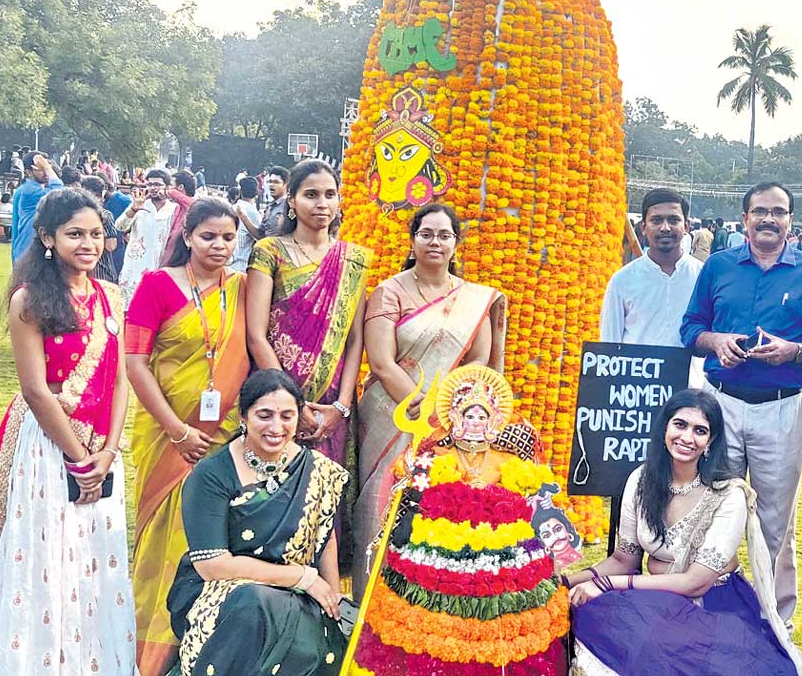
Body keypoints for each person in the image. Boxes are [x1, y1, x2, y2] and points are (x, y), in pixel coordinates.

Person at [0, 189, 135, 675]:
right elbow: (37, 391)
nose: (89, 244)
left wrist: (107, 451)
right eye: (75, 234)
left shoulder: (111, 295)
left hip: (101, 445)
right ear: (46, 238)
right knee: (43, 554)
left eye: (96, 234)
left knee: (92, 555)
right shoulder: (29, 301)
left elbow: (120, 376)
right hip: (45, 447)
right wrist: (79, 459)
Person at [569, 389, 802, 676]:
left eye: (700, 430)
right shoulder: (641, 480)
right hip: (659, 600)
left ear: (710, 442)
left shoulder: (728, 495)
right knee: (585, 611)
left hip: (714, 606)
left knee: (656, 654)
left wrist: (608, 584)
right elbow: (624, 559)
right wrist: (564, 580)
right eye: (680, 425)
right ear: (664, 428)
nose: (687, 437)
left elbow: (695, 583)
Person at [681, 181, 802, 622]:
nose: (769, 219)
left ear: (790, 219)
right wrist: (717, 341)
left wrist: (795, 351)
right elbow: (691, 329)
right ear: (745, 217)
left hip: (781, 408)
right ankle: (709, 608)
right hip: (721, 406)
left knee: (775, 520)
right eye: (760, 211)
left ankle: (778, 618)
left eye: (779, 211)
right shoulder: (718, 267)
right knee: (711, 508)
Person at [348, 365, 567, 675]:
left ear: (494, 422)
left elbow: (534, 503)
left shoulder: (510, 461)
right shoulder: (435, 456)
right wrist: (412, 470)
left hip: (499, 574)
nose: (476, 423)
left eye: (482, 417)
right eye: (469, 416)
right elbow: (408, 494)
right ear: (456, 420)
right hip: (439, 569)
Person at [352, 203, 506, 594]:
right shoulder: (389, 291)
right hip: (391, 413)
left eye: (444, 235)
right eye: (427, 234)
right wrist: (424, 407)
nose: (435, 242)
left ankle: (426, 597)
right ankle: (370, 599)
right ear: (413, 239)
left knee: (438, 502)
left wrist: (448, 410)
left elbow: (478, 360)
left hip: (452, 419)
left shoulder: (474, 299)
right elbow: (382, 362)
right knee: (380, 499)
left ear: (456, 244)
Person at [125, 198, 250, 676]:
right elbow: (135, 363)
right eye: (208, 236)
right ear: (187, 236)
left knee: (212, 541)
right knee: (164, 542)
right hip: (167, 436)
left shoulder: (239, 288)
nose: (219, 246)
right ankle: (151, 650)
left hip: (223, 438)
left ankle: (201, 644)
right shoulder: (158, 285)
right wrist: (177, 431)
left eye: (227, 237)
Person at [166, 369, 350, 676]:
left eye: (287, 416)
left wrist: (330, 593)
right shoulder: (211, 475)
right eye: (264, 415)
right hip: (224, 591)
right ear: (243, 417)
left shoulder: (318, 470)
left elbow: (324, 534)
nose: (276, 427)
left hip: (298, 593)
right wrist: (301, 577)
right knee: (253, 604)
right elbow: (212, 566)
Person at [247, 159, 372, 469]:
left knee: (326, 493)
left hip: (332, 399)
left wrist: (341, 406)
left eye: (330, 195)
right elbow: (255, 334)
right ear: (291, 200)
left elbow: (355, 338)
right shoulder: (270, 251)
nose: (322, 204)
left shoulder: (352, 258)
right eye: (311, 194)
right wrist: (291, 403)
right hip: (275, 394)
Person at [601, 187, 703, 347]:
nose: (665, 227)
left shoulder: (703, 276)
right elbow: (609, 343)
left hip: (692, 372)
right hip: (636, 372)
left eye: (674, 220)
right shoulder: (622, 280)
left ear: (687, 226)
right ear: (643, 227)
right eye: (656, 220)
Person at [116, 169, 178, 303]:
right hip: (134, 268)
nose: (153, 188)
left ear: (167, 187)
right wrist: (133, 209)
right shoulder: (139, 205)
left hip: (161, 266)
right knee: (129, 310)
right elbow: (120, 226)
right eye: (149, 185)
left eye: (157, 184)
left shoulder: (174, 209)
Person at [9, 150, 64, 264]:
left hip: (25, 247)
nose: (45, 172)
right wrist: (48, 168)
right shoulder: (29, 190)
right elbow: (59, 192)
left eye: (47, 168)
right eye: (40, 169)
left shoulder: (24, 189)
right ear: (28, 172)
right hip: (29, 249)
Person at [80, 176, 123, 282]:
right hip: (101, 272)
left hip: (82, 271)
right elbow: (111, 246)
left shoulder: (73, 214)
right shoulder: (105, 215)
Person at [230, 176, 261, 272]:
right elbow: (259, 237)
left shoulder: (232, 208)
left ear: (240, 192)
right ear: (257, 193)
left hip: (228, 264)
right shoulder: (253, 213)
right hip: (241, 265)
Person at [259, 166, 291, 238]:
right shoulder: (269, 207)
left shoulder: (290, 205)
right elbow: (260, 235)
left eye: (276, 182)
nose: (271, 185)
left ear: (285, 184)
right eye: (270, 182)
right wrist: (243, 217)